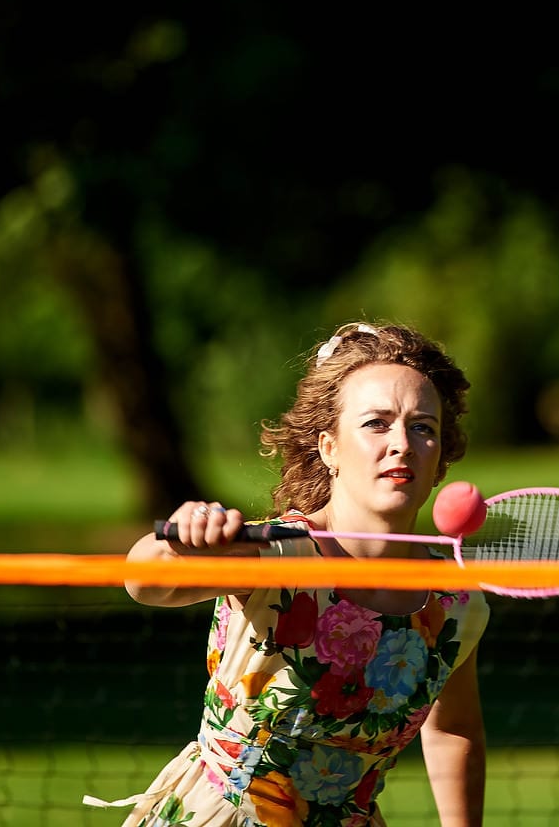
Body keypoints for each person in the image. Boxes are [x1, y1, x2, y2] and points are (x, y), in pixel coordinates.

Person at [87, 322, 490, 827]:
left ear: (440, 460)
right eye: (376, 423)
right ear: (329, 449)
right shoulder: (281, 553)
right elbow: (145, 580)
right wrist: (181, 538)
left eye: (422, 427)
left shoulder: (455, 604)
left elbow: (453, 729)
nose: (402, 444)